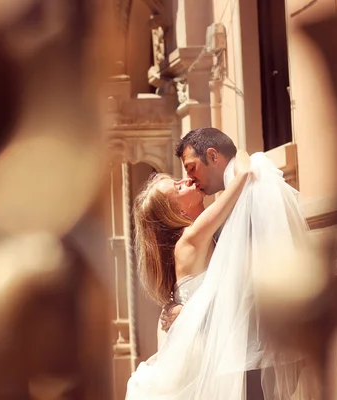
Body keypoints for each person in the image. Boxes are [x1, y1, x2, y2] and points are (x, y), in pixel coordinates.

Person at [126, 127, 310, 399]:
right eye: (177, 186)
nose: (187, 180)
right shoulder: (191, 238)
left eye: (188, 171)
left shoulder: (207, 234)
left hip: (221, 350)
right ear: (176, 210)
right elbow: (239, 182)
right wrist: (245, 162)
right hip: (206, 355)